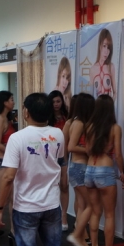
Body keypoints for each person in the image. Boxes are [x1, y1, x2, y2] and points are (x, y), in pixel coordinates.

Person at [0, 92, 66, 246]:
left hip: (26, 207)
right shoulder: (58, 134)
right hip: (52, 204)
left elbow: (8, 177)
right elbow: (59, 162)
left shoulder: (17, 138)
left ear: (26, 112)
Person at [84, 94, 124, 246]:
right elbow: (118, 155)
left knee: (95, 212)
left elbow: (88, 150)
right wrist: (123, 173)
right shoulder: (115, 128)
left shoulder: (89, 126)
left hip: (89, 169)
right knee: (109, 214)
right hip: (105, 169)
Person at [65, 93, 95, 246]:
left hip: (79, 167)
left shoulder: (79, 122)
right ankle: (77, 234)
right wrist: (88, 150)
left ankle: (81, 237)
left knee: (83, 204)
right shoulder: (78, 123)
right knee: (91, 204)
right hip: (78, 167)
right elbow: (71, 147)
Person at [0, 91, 16, 241]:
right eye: (11, 99)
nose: (13, 102)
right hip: (1, 162)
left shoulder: (7, 119)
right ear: (5, 102)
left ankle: (14, 230)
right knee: (2, 200)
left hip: (7, 162)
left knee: (12, 199)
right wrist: (12, 151)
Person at [49, 90, 70, 231]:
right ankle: (51, 216)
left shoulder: (66, 117)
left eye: (58, 101)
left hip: (64, 155)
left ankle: (64, 216)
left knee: (64, 185)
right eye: (53, 102)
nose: (56, 104)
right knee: (50, 186)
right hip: (49, 155)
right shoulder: (46, 118)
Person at [89, 29, 117, 99]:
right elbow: (91, 95)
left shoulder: (111, 67)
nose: (106, 51)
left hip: (109, 104)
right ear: (99, 45)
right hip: (97, 105)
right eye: (104, 46)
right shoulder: (92, 69)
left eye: (109, 48)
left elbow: (115, 92)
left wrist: (111, 103)